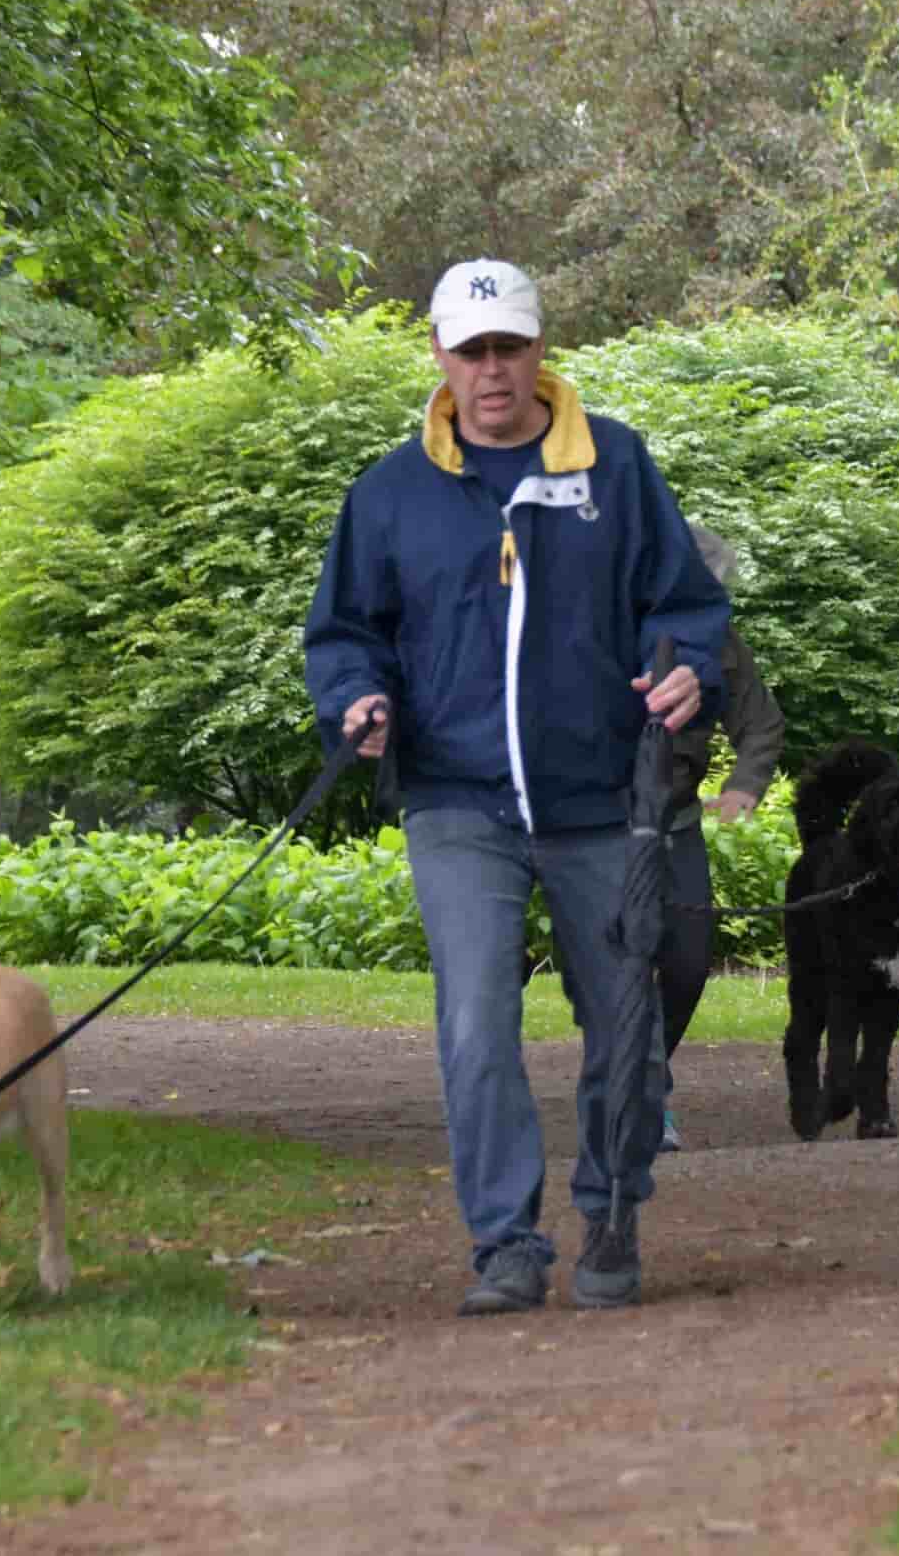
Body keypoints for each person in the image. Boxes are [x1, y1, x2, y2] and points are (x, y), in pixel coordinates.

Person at [304, 258, 729, 1316]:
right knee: (475, 1021)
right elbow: (348, 632)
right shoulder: (390, 493)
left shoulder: (616, 467)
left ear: (541, 349)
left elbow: (681, 603)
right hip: (457, 801)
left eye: (509, 347)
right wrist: (358, 700)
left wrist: (686, 664)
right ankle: (505, 1241)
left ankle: (613, 1208)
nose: (491, 371)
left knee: (625, 1020)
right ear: (441, 358)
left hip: (602, 799)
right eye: (471, 350)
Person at [653, 525, 787, 1151]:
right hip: (597, 826)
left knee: (686, 962)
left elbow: (760, 724)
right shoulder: (590, 627)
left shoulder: (722, 643)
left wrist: (743, 788)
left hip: (677, 822)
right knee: (622, 962)